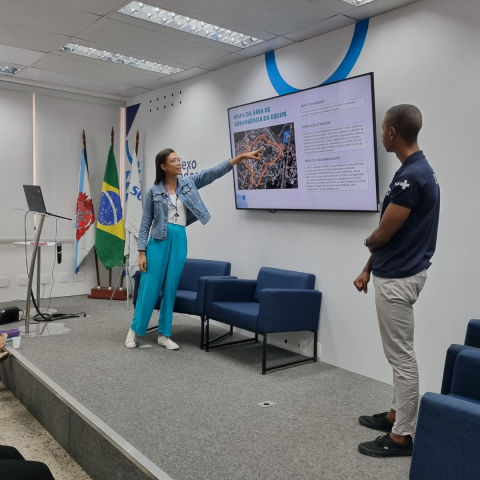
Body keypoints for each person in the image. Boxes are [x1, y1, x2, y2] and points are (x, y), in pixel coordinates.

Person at [353, 104, 440, 457]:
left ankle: (402, 435)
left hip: (399, 278)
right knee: (397, 356)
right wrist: (367, 267)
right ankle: (394, 416)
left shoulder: (410, 177)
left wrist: (368, 243)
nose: (381, 133)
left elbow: (384, 234)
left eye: (382, 128)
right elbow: (395, 236)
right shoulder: (419, 171)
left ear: (392, 133)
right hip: (399, 270)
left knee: (402, 358)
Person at [125, 148, 262, 350]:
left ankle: (164, 334)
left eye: (179, 159)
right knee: (149, 289)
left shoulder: (188, 184)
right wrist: (141, 253)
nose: (179, 163)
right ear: (163, 166)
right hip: (158, 242)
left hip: (179, 239)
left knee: (171, 289)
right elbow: (145, 224)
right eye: (174, 160)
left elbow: (211, 173)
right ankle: (134, 331)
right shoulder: (153, 192)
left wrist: (239, 159)